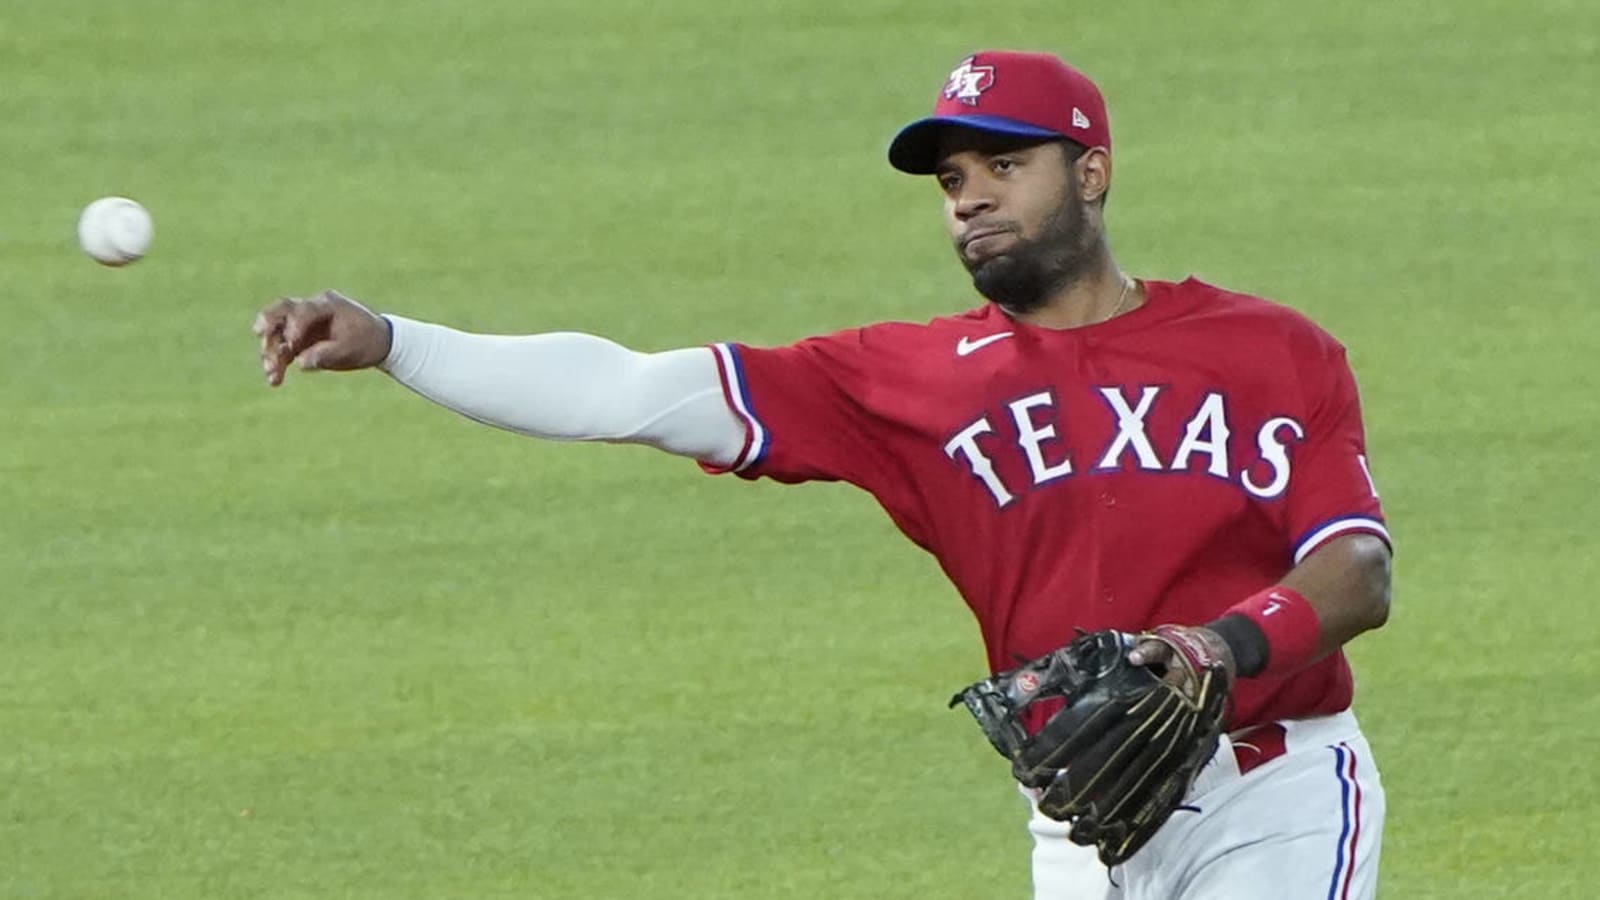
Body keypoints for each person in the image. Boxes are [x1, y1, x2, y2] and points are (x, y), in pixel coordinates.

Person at [253, 50, 1392, 900]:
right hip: (1085, 813)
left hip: (1274, 786)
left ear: (1090, 172)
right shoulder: (908, 379)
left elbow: (1355, 570)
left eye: (1005, 164)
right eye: (952, 180)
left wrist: (1219, 645)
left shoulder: (1267, 349)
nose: (971, 198)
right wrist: (397, 338)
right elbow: (627, 391)